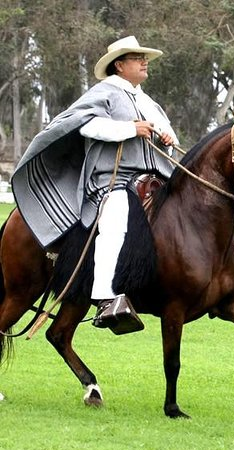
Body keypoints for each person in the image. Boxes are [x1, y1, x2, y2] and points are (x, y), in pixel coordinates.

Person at [12, 35, 178, 334]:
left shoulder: (146, 100)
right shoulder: (104, 92)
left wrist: (167, 136)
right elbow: (84, 125)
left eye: (145, 58)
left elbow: (164, 131)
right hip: (110, 181)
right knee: (115, 220)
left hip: (150, 180)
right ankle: (104, 297)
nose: (144, 62)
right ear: (119, 65)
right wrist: (130, 128)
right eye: (137, 58)